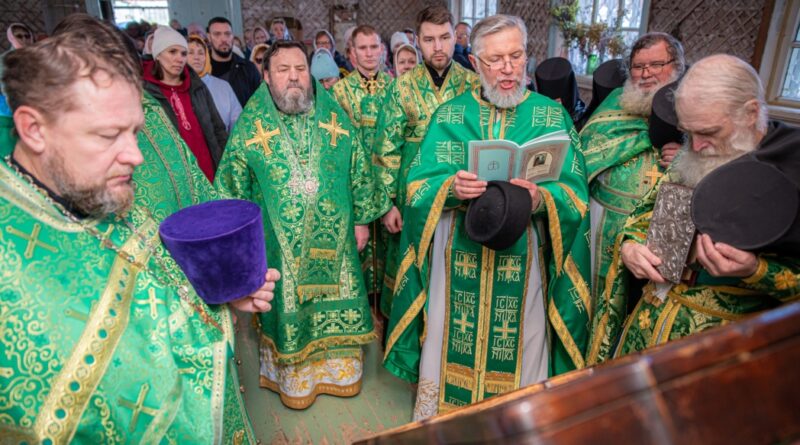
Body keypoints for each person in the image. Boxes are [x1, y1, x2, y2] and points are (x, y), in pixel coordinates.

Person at [0, 19, 279, 443]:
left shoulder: (95, 190)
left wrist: (222, 293)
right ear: (34, 129)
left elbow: (157, 288)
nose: (135, 156)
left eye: (135, 131)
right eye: (110, 135)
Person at [383, 14, 591, 420]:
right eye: (495, 60)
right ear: (476, 63)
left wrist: (540, 199)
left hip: (524, 257)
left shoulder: (552, 117)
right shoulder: (449, 117)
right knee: (449, 333)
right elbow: (416, 187)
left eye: (516, 56)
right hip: (458, 254)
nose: (508, 68)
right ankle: (444, 421)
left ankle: (517, 422)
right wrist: (450, 189)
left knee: (523, 338)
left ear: (527, 57)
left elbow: (576, 195)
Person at [215, 40, 392, 410]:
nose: (294, 77)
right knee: (290, 302)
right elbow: (231, 191)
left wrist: (362, 219)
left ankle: (339, 373)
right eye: (283, 70)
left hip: (338, 241)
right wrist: (245, 249)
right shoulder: (251, 124)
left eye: (300, 69)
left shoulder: (332, 115)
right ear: (266, 76)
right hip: (279, 247)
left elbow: (358, 166)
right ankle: (295, 381)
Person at [613, 54, 800, 356]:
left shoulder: (793, 170)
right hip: (648, 331)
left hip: (729, 353)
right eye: (688, 132)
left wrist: (757, 269)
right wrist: (631, 248)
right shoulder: (695, 154)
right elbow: (642, 217)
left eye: (709, 132)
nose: (696, 146)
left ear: (750, 113)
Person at [580, 32, 686, 364]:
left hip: (661, 232)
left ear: (678, 66)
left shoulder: (694, 109)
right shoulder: (615, 103)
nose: (645, 73)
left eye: (656, 64)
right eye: (638, 66)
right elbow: (584, 153)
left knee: (641, 314)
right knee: (596, 306)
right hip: (603, 225)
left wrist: (688, 155)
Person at [373, 5, 479, 319]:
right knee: (411, 271)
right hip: (412, 201)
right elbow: (385, 151)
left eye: (445, 38)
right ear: (418, 41)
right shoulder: (402, 87)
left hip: (461, 199)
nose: (438, 47)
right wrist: (387, 204)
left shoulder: (473, 85)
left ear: (455, 39)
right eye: (429, 39)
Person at [332, 25, 394, 300]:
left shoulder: (395, 87)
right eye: (363, 48)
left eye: (374, 47)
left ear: (382, 49)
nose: (369, 53)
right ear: (352, 53)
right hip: (355, 186)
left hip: (390, 186)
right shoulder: (340, 92)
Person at [143, 26, 228, 182]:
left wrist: (224, 165)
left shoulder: (196, 86)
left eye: (183, 53)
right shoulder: (146, 93)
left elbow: (218, 128)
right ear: (158, 55)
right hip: (174, 178)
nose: (179, 58)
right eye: (172, 52)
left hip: (208, 171)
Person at [187, 35, 242, 132]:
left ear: (206, 57)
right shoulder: (178, 87)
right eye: (190, 53)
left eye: (201, 53)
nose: (196, 57)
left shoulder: (223, 86)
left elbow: (237, 120)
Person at [207, 17, 262, 107]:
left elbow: (260, 102)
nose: (224, 39)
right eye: (217, 34)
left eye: (227, 34)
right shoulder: (201, 70)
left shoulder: (248, 68)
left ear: (233, 36)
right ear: (209, 37)